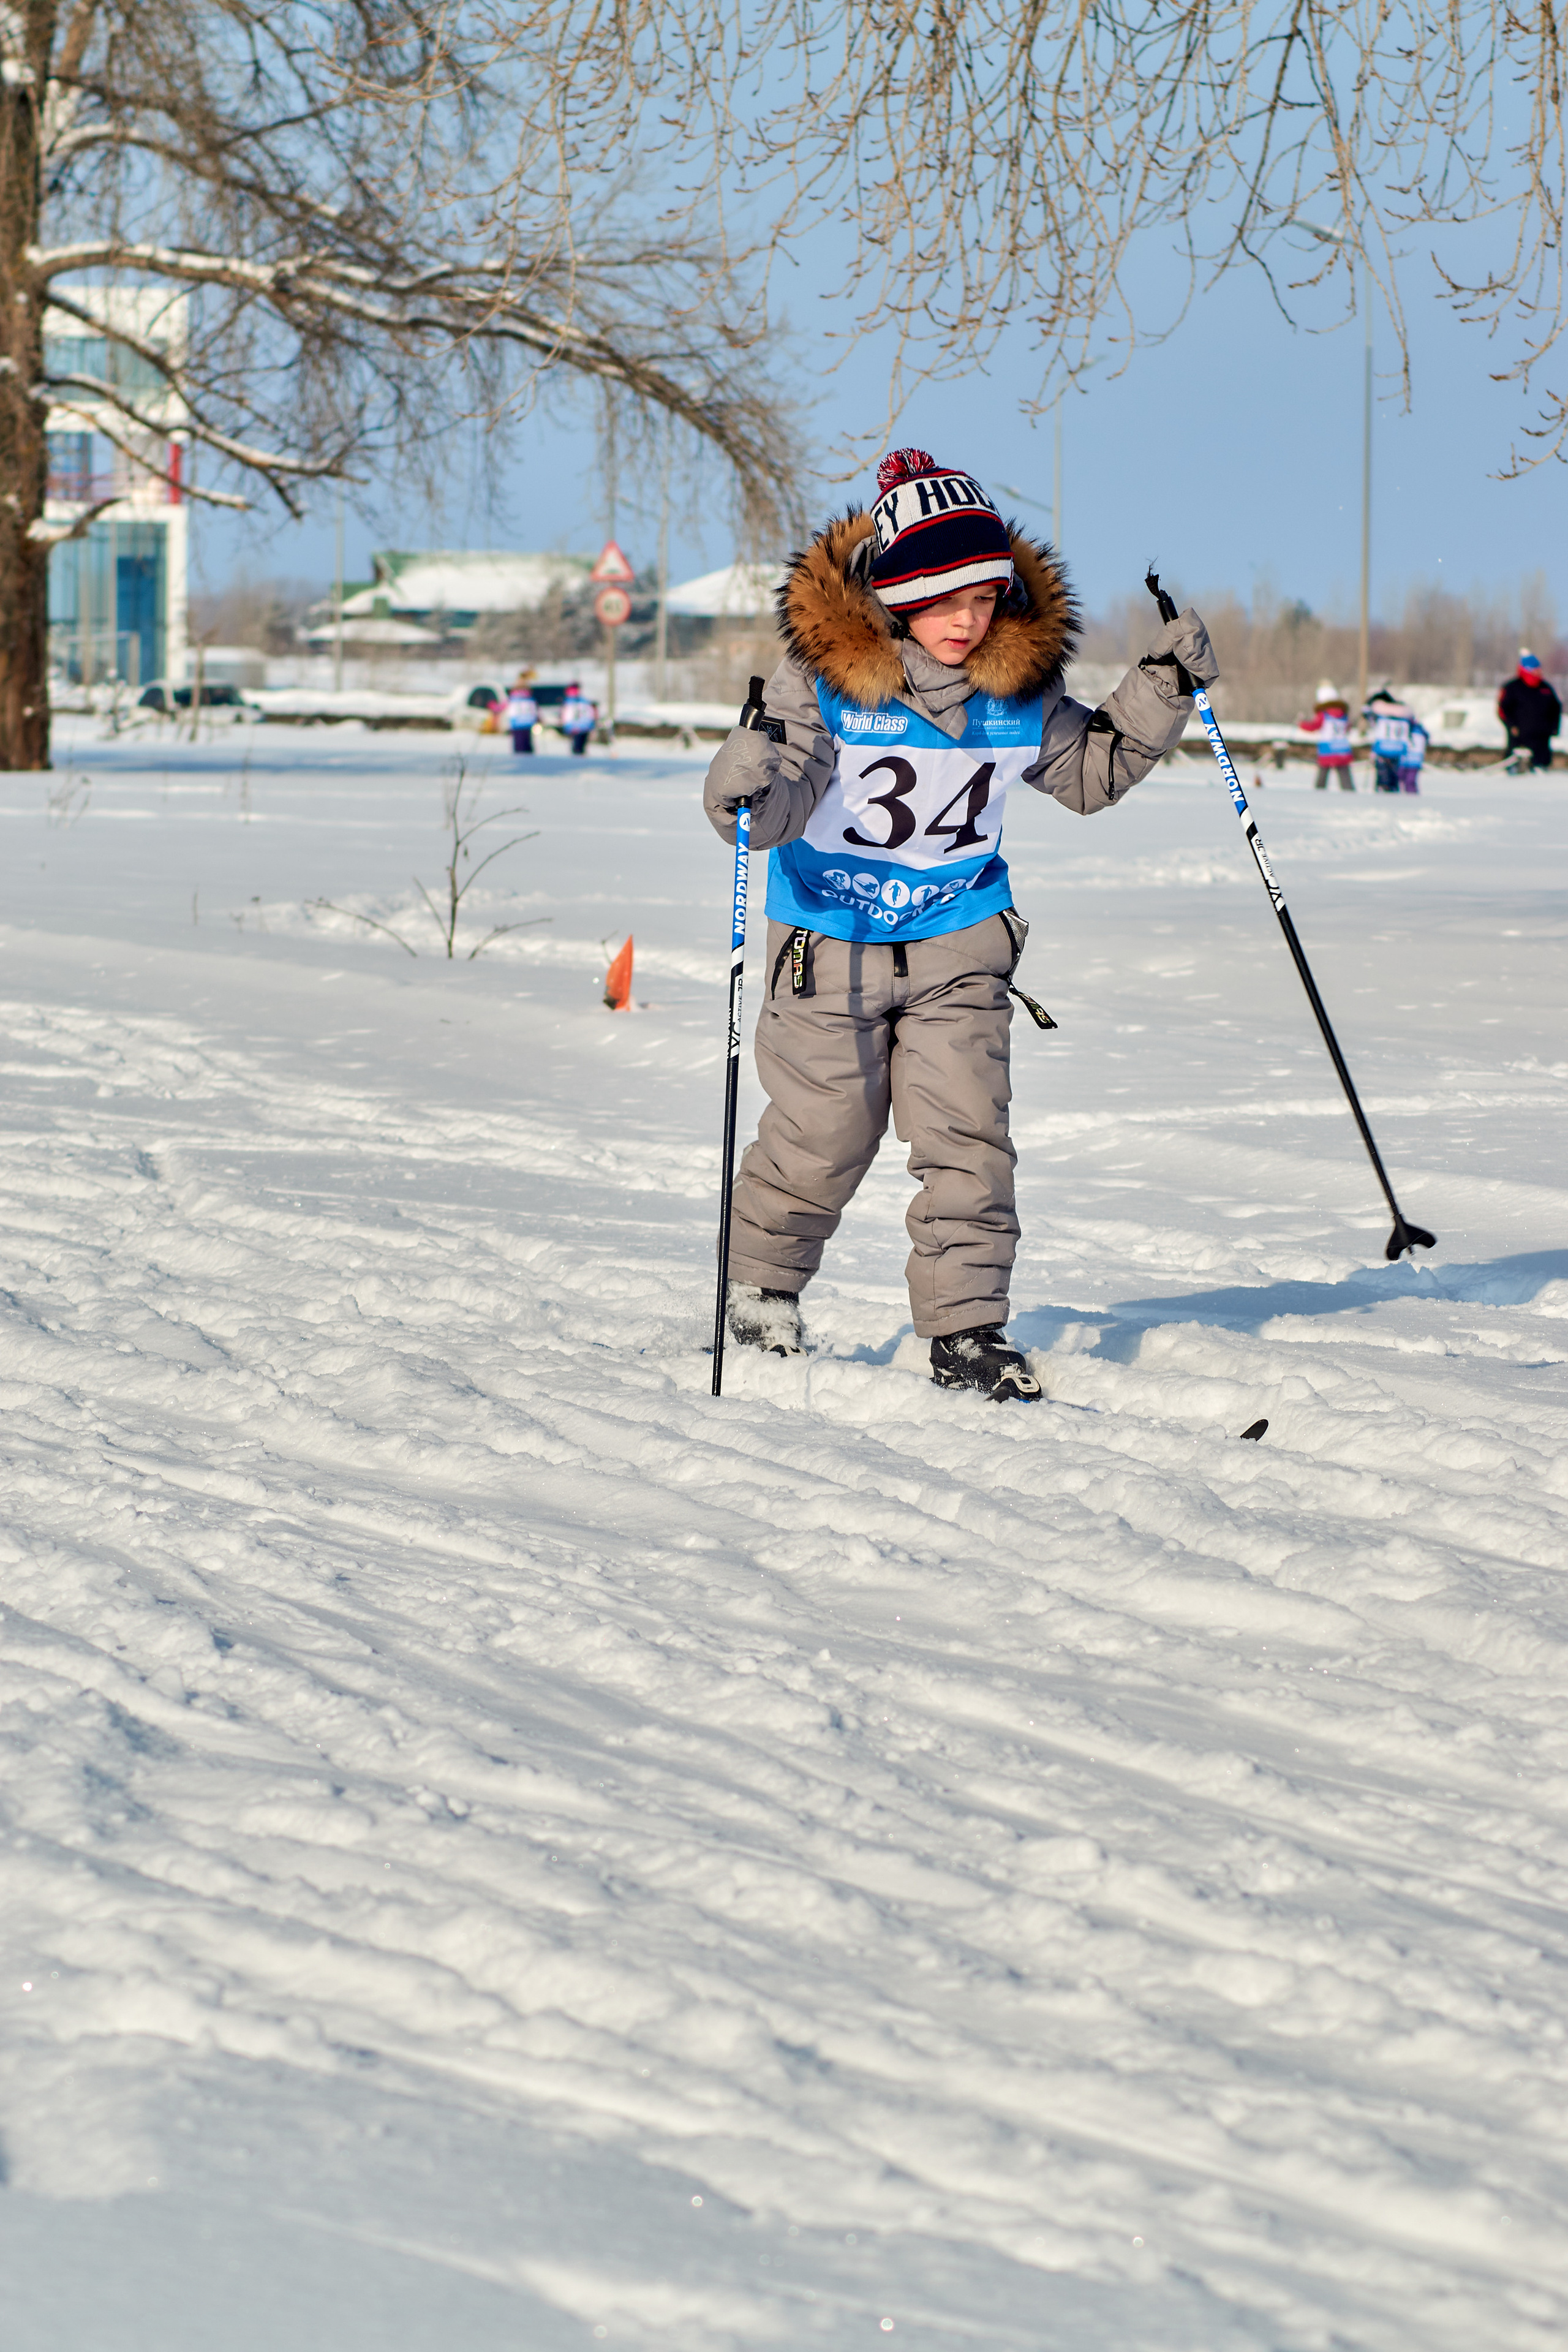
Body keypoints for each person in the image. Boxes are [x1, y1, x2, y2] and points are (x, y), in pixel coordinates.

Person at [702, 445, 1216, 1402]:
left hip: (960, 944)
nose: (968, 619)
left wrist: (1160, 688)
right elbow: (769, 812)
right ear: (896, 596)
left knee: (968, 1139)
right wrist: (739, 787)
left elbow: (1089, 774)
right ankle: (762, 1294)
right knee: (821, 1136)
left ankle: (968, 1331)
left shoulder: (1015, 688)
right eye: (944, 600)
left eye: (984, 597)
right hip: (830, 946)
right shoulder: (821, 682)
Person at [1498, 650, 1561, 771]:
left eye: (1539, 669)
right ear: (1526, 670)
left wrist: (1554, 728)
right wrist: (1511, 726)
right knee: (1518, 768)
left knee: (1541, 769)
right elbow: (1503, 709)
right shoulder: (1513, 687)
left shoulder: (1545, 688)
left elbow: (1556, 708)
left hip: (1542, 739)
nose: (1539, 672)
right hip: (1519, 737)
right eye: (1535, 669)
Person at [1300, 681, 1355, 789]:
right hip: (1342, 749)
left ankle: (1319, 794)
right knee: (1344, 774)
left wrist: (1301, 724)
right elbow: (1348, 728)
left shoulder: (1323, 714)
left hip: (1328, 749)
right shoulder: (1344, 714)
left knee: (1323, 774)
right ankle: (1350, 793)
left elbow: (1314, 726)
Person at [1362, 686, 1416, 793]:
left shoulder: (1379, 715)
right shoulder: (1403, 716)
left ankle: (1382, 796)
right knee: (1394, 779)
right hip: (1398, 750)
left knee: (1383, 779)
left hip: (1383, 749)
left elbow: (1366, 714)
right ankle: (1393, 797)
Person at [502, 672, 537, 755]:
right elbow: (535, 709)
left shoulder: (513, 696)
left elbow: (505, 706)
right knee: (527, 744)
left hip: (517, 722)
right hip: (528, 721)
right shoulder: (529, 696)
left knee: (519, 746)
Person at [561, 680, 597, 756]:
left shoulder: (571, 702)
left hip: (579, 725)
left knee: (579, 746)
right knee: (579, 746)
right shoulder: (583, 701)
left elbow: (567, 715)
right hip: (581, 725)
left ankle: (578, 759)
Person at [1398, 713, 1428, 794]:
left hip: (1405, 759)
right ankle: (1412, 799)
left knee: (1402, 780)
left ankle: (1408, 800)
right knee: (1410, 782)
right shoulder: (1421, 730)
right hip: (1416, 759)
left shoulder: (1403, 728)